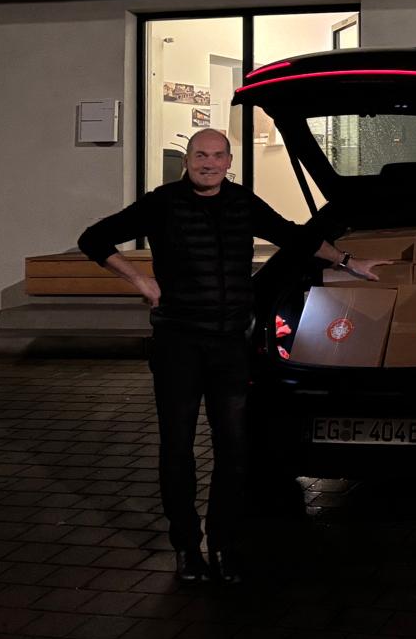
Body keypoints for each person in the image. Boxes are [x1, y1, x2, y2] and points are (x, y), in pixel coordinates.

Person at [78, 128, 384, 584]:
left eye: (218, 155)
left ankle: (223, 544)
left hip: (229, 346)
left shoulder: (243, 202)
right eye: (201, 155)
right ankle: (186, 548)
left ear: (228, 161)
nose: (209, 163)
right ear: (187, 160)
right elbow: (94, 238)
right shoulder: (162, 203)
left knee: (234, 450)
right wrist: (140, 280)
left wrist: (347, 262)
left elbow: (293, 236)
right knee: (177, 449)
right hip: (178, 344)